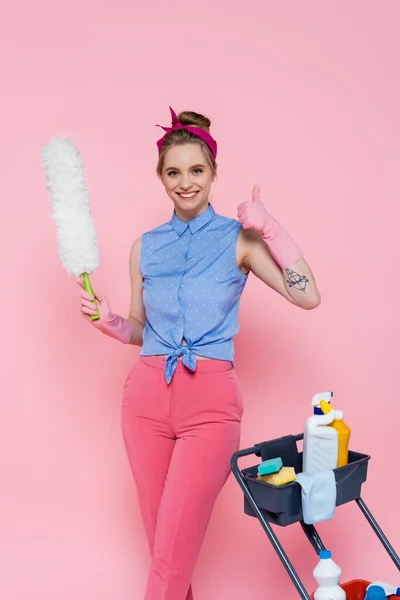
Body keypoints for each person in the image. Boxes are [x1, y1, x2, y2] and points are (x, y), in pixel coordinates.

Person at [77, 106, 321, 600]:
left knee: (171, 547)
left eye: (196, 170)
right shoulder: (144, 247)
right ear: (160, 178)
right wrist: (109, 323)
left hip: (209, 402)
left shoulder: (240, 239)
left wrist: (272, 229)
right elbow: (140, 329)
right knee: (165, 548)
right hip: (144, 398)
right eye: (174, 172)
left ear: (213, 173)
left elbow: (307, 295)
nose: (185, 182)